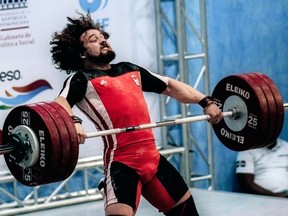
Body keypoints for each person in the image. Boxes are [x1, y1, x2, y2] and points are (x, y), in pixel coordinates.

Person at [50, 13, 223, 216]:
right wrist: (73, 121)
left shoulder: (130, 69)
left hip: (154, 160)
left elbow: (170, 86)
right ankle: (108, 186)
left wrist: (205, 101)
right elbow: (60, 103)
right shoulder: (81, 79)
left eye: (102, 36)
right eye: (93, 40)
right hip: (122, 164)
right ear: (82, 53)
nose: (102, 40)